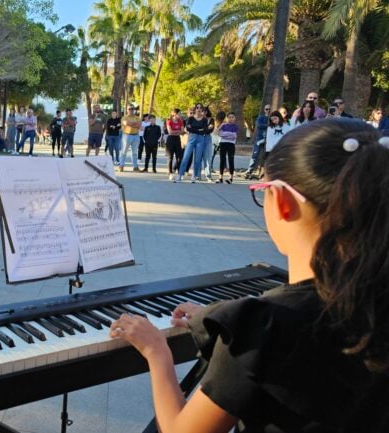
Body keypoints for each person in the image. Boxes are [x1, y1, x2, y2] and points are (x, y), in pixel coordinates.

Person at [109, 118, 389, 433]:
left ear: (282, 202)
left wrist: (157, 351)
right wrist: (221, 320)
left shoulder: (267, 325)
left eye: (261, 192)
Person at [176, 104, 210, 183]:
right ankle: (180, 175)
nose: (199, 109)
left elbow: (205, 130)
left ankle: (194, 175)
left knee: (197, 159)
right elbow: (188, 128)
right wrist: (198, 130)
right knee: (186, 157)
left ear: (202, 110)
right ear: (195, 109)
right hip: (192, 138)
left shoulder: (204, 119)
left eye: (200, 108)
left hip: (200, 139)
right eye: (197, 107)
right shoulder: (191, 118)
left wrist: (194, 129)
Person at [245, 104, 271, 179]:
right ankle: (250, 170)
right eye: (266, 109)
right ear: (264, 110)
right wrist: (268, 125)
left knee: (265, 156)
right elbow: (259, 125)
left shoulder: (272, 117)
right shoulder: (261, 117)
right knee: (255, 154)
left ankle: (262, 172)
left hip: (268, 139)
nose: (268, 110)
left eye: (269, 109)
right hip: (260, 138)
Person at [216, 112, 238, 184]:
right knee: (222, 160)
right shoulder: (223, 125)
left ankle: (231, 177)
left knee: (231, 160)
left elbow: (234, 136)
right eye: (229, 117)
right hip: (223, 143)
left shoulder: (235, 126)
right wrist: (228, 134)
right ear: (227, 118)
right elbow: (219, 133)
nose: (231, 119)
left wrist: (225, 134)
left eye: (232, 117)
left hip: (231, 144)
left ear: (234, 118)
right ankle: (220, 177)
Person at [164, 109, 185, 180]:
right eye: (179, 113)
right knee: (170, 157)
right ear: (175, 114)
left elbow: (182, 131)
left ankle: (179, 173)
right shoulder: (169, 121)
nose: (180, 115)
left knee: (179, 157)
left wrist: (176, 132)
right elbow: (170, 132)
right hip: (170, 140)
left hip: (177, 139)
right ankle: (170, 173)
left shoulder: (180, 121)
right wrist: (178, 131)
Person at [120, 106, 141, 172]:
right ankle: (121, 166)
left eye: (132, 109)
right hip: (127, 135)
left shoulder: (137, 118)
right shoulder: (124, 118)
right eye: (129, 109)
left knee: (135, 152)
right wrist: (134, 124)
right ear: (127, 110)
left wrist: (131, 124)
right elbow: (127, 123)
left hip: (136, 136)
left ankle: (135, 167)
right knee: (124, 151)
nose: (131, 110)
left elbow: (139, 125)